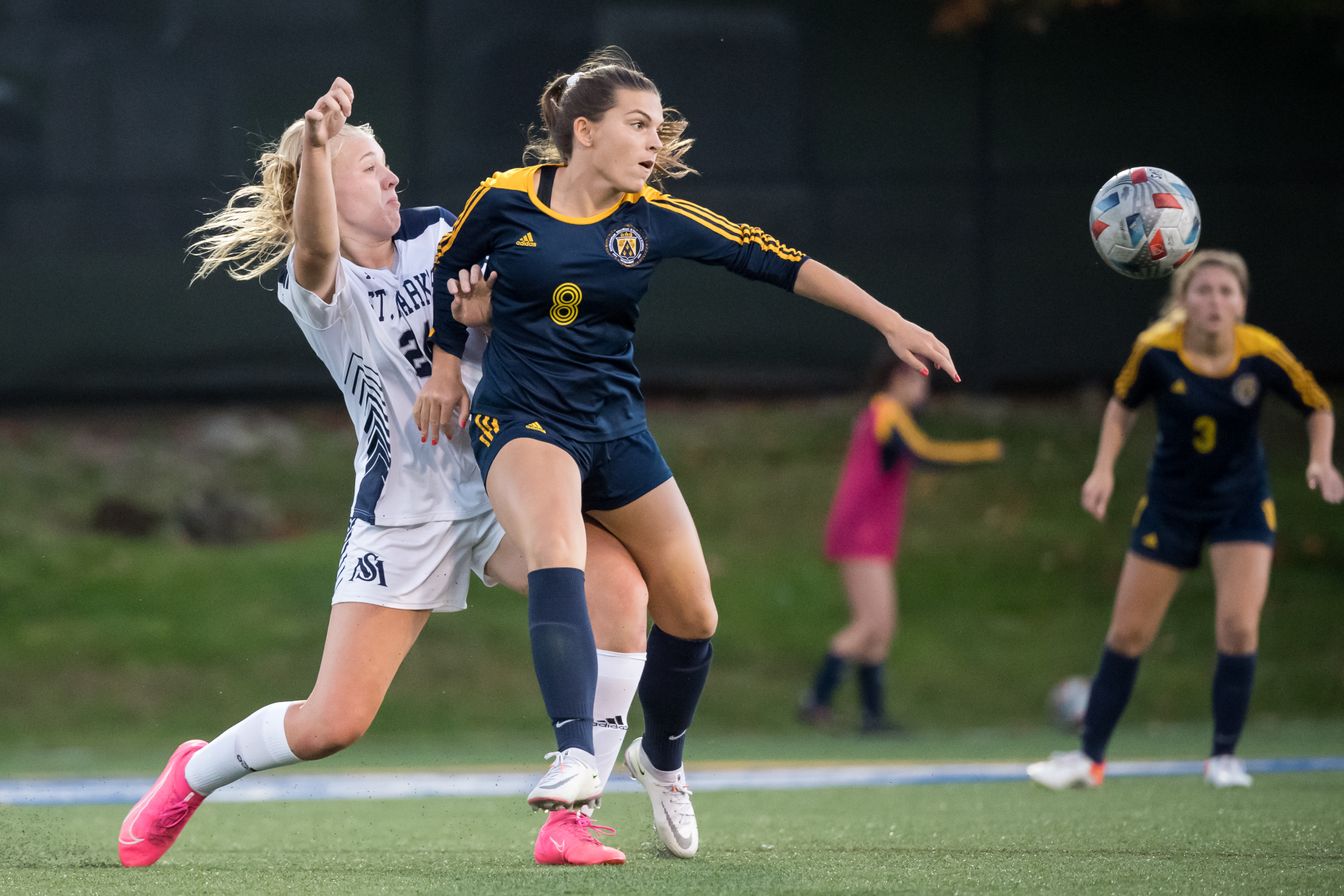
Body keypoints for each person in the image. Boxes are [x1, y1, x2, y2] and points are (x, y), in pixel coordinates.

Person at [415, 46, 959, 858]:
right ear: (585, 131)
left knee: (695, 614)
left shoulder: (653, 218)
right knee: (558, 546)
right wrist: (449, 365)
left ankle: (660, 760)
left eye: (659, 127)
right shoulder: (503, 198)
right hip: (524, 422)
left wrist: (888, 321)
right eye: (639, 125)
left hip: (618, 431)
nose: (655, 141)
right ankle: (573, 754)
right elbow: (450, 271)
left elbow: (775, 259)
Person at [117, 78, 649, 869]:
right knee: (334, 723)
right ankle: (193, 773)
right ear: (325, 191)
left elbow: (533, 315)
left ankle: (572, 814)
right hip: (406, 506)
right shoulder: (318, 284)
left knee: (620, 594)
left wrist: (489, 318)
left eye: (388, 164)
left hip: (503, 474)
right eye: (371, 168)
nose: (393, 178)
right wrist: (324, 143)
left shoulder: (442, 233)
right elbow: (315, 249)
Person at [1027, 249, 1341, 791]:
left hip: (1240, 504)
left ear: (1241, 302)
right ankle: (1088, 759)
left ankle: (1223, 757)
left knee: (1239, 627)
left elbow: (1317, 405)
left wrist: (1320, 460)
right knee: (1128, 633)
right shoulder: (1155, 350)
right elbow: (1121, 406)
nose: (1215, 301)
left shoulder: (1262, 353)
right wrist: (1102, 470)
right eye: (1204, 290)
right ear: (1183, 300)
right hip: (1170, 506)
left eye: (1227, 292)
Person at [799, 355, 1002, 734]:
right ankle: (817, 701)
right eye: (919, 380)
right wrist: (985, 452)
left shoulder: (884, 413)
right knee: (870, 624)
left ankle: (872, 717)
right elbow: (924, 452)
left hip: (869, 535)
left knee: (881, 629)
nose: (924, 390)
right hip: (862, 535)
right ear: (898, 377)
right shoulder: (887, 412)